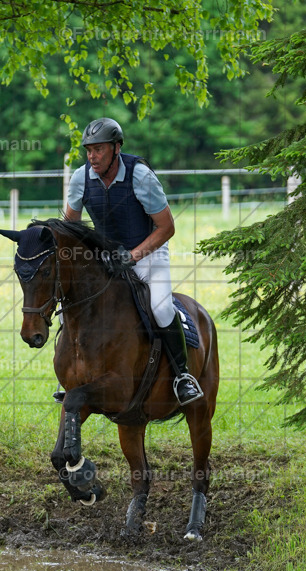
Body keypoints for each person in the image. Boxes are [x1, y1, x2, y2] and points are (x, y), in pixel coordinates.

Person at [62, 117, 203, 406]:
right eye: (88, 150)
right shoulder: (80, 178)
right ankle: (71, 376)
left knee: (161, 308)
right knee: (70, 310)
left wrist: (132, 256)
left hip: (149, 253)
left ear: (116, 148)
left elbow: (167, 227)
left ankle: (182, 376)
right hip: (106, 258)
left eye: (99, 149)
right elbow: (70, 227)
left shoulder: (140, 176)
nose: (92, 157)